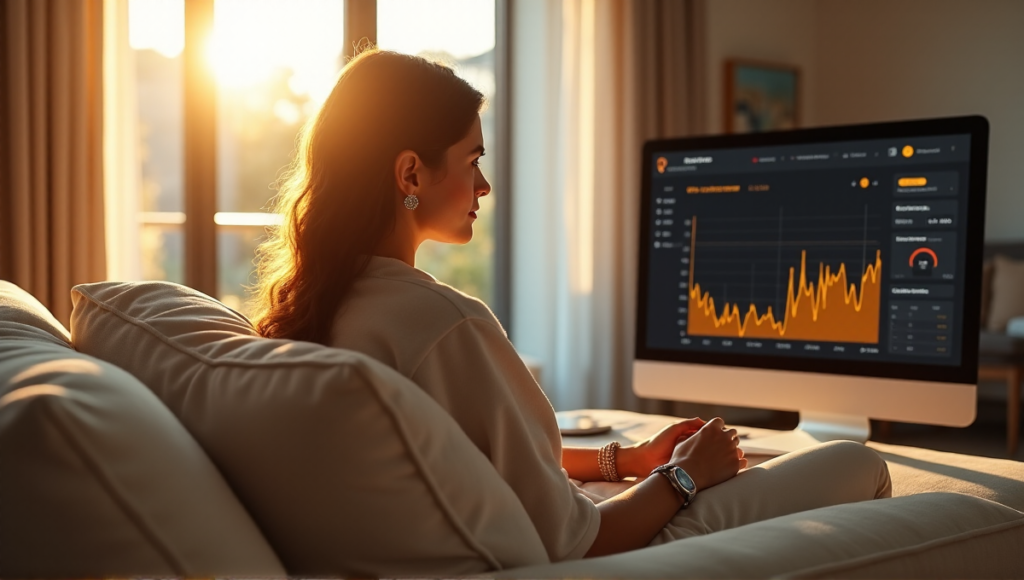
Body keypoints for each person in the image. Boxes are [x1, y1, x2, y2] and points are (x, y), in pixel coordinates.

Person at [250, 49, 891, 561]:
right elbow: (579, 541)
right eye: (472, 160)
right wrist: (684, 476)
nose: (483, 184)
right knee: (859, 464)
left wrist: (625, 461)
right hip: (605, 555)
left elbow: (462, 456)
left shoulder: (319, 310)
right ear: (410, 173)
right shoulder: (444, 324)